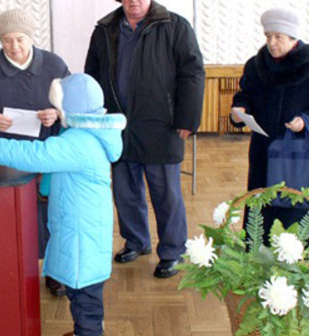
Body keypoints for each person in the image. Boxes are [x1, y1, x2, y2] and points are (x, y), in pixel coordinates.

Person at [0, 73, 126, 336]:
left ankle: (88, 333)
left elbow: (37, 155)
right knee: (81, 292)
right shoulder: (85, 135)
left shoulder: (78, 143)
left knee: (84, 296)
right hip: (83, 229)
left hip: (82, 235)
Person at [85, 0, 205, 278]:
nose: (134, 0)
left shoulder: (174, 26)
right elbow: (92, 75)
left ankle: (173, 250)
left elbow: (193, 73)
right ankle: (136, 241)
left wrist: (187, 119)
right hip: (117, 124)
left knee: (166, 194)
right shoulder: (104, 29)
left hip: (162, 125)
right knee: (125, 192)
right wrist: (94, 119)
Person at [0, 8, 70, 296]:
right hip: (7, 154)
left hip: (48, 152)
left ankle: (54, 271)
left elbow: (73, 102)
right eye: (7, 40)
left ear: (31, 37)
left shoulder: (54, 65)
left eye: (20, 39)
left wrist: (57, 114)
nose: (15, 47)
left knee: (52, 212)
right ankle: (16, 267)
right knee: (12, 211)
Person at [230, 8, 309, 249]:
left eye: (278, 37)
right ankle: (256, 266)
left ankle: (300, 266)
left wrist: (306, 121)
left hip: (299, 156)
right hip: (263, 151)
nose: (271, 42)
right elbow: (245, 94)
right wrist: (239, 108)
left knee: (298, 211)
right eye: (268, 35)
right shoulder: (255, 66)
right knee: (261, 209)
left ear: (294, 38)